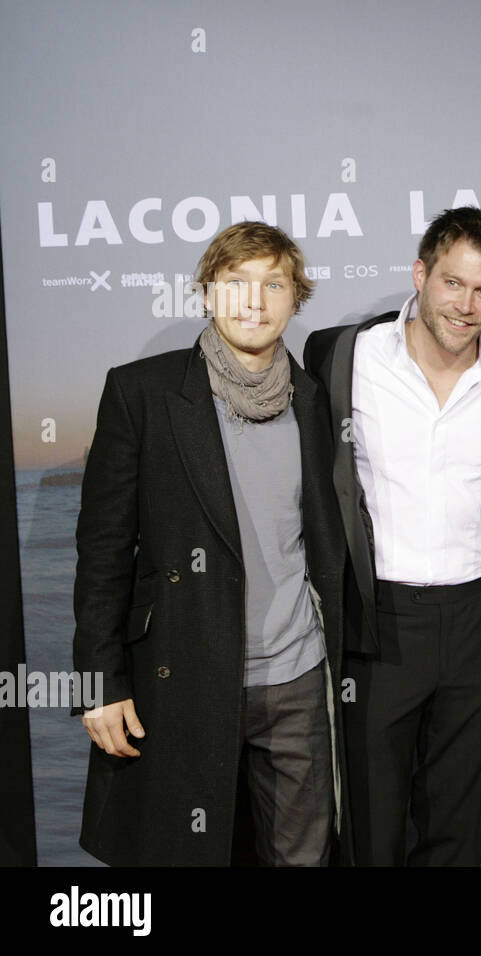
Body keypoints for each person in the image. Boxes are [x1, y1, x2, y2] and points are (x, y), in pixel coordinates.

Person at [75, 221, 347, 866]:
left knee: (303, 859)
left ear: (294, 298)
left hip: (297, 677)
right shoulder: (142, 392)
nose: (254, 301)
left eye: (273, 284)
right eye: (236, 283)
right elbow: (103, 552)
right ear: (206, 293)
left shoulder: (314, 400)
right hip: (183, 674)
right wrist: (98, 681)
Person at [303, 207, 481, 866]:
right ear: (420, 274)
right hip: (377, 624)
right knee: (371, 831)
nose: (466, 305)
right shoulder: (342, 355)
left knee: (459, 832)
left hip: (480, 625)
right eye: (452, 283)